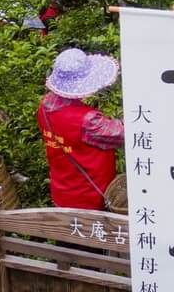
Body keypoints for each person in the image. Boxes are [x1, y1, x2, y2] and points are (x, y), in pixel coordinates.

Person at [38, 48, 123, 210]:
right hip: (90, 198)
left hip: (62, 193)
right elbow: (125, 133)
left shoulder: (44, 106)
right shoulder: (88, 121)